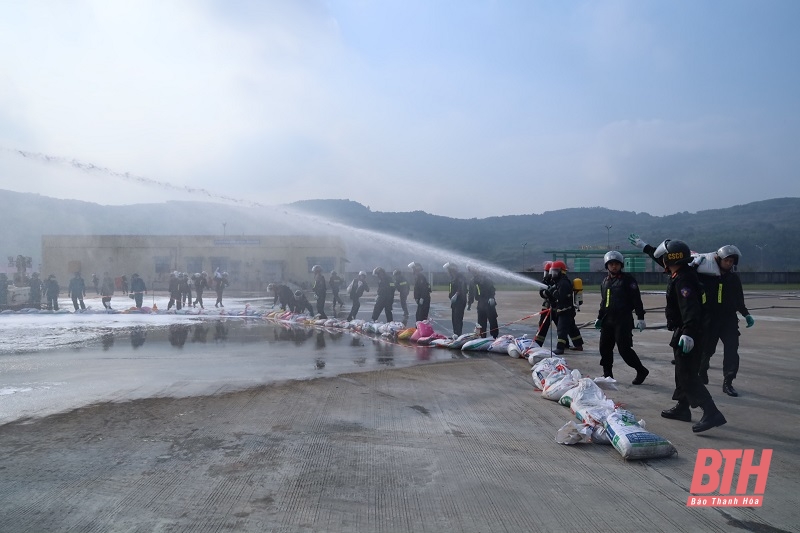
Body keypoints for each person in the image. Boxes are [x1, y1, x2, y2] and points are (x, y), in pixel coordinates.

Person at [631, 235, 727, 433]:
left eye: (665, 258)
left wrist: (689, 333)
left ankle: (711, 412)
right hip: (684, 330)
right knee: (680, 372)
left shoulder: (684, 279)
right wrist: (645, 247)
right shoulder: (681, 271)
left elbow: (691, 308)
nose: (663, 262)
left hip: (690, 331)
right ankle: (683, 408)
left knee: (687, 375)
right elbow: (662, 259)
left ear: (671, 259)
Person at [695, 245, 754, 397]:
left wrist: (746, 314)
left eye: (731, 261)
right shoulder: (705, 276)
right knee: (707, 350)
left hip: (729, 320)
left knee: (732, 350)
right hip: (710, 319)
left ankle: (728, 381)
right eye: (726, 260)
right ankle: (702, 370)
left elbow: (739, 299)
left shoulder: (733, 278)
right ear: (719, 260)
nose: (729, 263)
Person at [594, 251, 649, 384]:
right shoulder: (605, 282)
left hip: (623, 320)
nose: (614, 266)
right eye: (611, 264)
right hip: (608, 320)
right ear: (607, 266)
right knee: (604, 348)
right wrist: (599, 317)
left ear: (621, 265)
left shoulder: (628, 280)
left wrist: (640, 317)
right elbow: (604, 301)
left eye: (616, 264)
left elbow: (637, 299)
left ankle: (641, 370)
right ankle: (608, 375)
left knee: (624, 349)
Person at [544, 261, 584, 355]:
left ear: (562, 272)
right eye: (552, 271)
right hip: (567, 310)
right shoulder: (559, 282)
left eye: (555, 271)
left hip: (565, 310)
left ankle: (560, 348)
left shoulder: (563, 283)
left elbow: (561, 297)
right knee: (571, 328)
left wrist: (553, 291)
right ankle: (578, 345)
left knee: (561, 329)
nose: (553, 274)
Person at [467, 265, 499, 339]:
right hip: (480, 303)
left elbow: (492, 289)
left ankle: (494, 336)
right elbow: (471, 293)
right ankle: (482, 337)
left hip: (488, 302)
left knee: (492, 320)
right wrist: (469, 303)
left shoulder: (486, 278)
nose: (473, 272)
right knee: (481, 322)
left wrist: (491, 297)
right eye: (471, 271)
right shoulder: (472, 281)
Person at [444, 262, 468, 336]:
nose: (447, 272)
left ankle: (458, 334)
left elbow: (462, 286)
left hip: (460, 301)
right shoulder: (452, 278)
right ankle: (455, 334)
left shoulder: (460, 276)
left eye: (448, 270)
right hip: (454, 302)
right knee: (454, 319)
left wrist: (457, 294)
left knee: (458, 319)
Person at [534, 262, 554, 347]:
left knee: (563, 327)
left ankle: (567, 343)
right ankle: (538, 343)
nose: (546, 274)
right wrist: (546, 293)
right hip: (547, 306)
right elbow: (541, 293)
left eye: (547, 272)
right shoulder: (545, 281)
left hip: (557, 307)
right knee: (542, 324)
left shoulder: (558, 281)